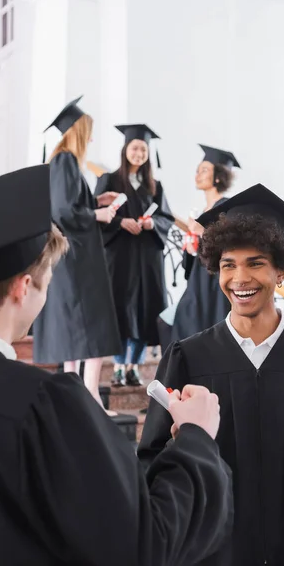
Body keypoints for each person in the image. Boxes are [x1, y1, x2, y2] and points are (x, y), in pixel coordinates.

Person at [0, 165, 233, 566]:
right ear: (23, 287)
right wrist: (196, 438)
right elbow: (144, 549)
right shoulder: (40, 405)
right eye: (47, 283)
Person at [139, 183, 284, 566]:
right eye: (228, 264)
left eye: (256, 263)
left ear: (281, 270)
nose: (240, 278)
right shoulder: (190, 358)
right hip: (215, 555)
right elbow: (152, 460)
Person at [33, 97, 122, 414]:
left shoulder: (64, 162)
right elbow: (64, 211)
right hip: (76, 258)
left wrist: (97, 201)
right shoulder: (65, 161)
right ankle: (89, 395)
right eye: (90, 131)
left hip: (75, 256)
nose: (92, 138)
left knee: (77, 325)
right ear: (78, 131)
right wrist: (97, 215)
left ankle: (78, 397)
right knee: (90, 324)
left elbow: (71, 205)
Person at [95, 124, 174, 387]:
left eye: (143, 149)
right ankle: (118, 366)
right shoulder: (109, 180)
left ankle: (133, 366)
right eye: (134, 148)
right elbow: (95, 217)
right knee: (121, 309)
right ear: (125, 150)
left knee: (145, 309)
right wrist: (120, 223)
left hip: (147, 256)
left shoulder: (155, 186)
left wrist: (153, 225)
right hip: (120, 255)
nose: (139, 152)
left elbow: (166, 218)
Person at [158, 145, 240, 354]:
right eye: (197, 170)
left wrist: (203, 232)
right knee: (168, 323)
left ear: (219, 177)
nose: (198, 174)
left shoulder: (227, 207)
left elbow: (232, 245)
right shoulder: (203, 210)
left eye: (204, 170)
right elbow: (191, 261)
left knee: (190, 332)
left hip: (213, 285)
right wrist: (191, 245)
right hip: (198, 282)